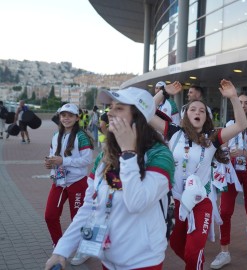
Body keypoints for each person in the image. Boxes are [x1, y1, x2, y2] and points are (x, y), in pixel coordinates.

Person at [45, 88, 175, 270]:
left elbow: (137, 202)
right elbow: (90, 205)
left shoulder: (160, 155)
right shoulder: (106, 155)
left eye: (119, 108)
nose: (110, 113)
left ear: (138, 117)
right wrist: (61, 251)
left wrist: (129, 153)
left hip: (143, 261)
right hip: (108, 260)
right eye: (111, 107)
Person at [150, 79, 247, 270]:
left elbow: (241, 125)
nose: (197, 113)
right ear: (186, 114)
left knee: (192, 252)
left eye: (202, 111)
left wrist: (234, 98)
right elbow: (143, 113)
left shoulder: (212, 137)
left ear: (206, 117)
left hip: (201, 202)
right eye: (193, 109)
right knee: (177, 245)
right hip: (176, 202)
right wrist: (163, 92)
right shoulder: (173, 132)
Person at [210, 92, 247, 269]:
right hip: (231, 168)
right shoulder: (231, 124)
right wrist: (225, 151)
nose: (243, 105)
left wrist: (243, 153)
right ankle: (224, 251)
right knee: (225, 210)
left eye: (246, 103)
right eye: (240, 102)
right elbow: (222, 145)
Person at [43, 103, 94, 261]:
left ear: (77, 118)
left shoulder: (81, 136)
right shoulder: (55, 136)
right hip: (59, 181)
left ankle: (84, 250)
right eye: (63, 115)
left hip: (77, 182)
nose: (66, 118)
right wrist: (50, 163)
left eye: (70, 115)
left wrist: (63, 160)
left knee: (78, 218)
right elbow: (53, 156)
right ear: (59, 117)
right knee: (50, 216)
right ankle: (59, 248)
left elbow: (87, 159)